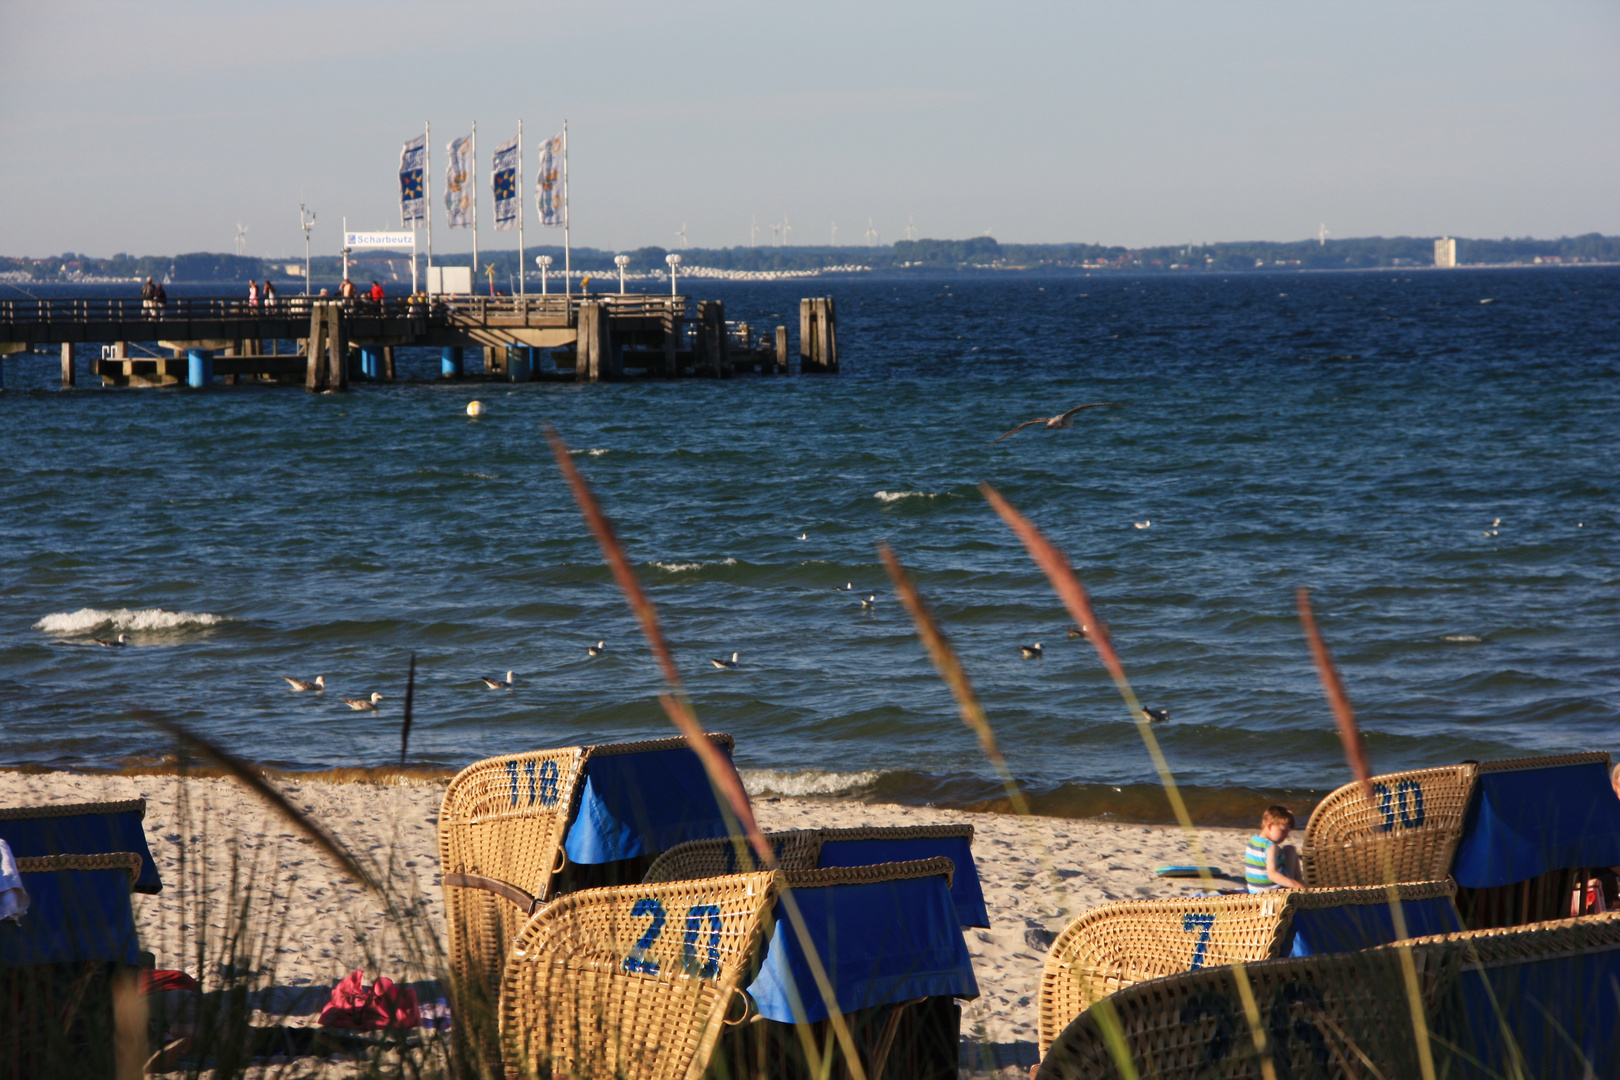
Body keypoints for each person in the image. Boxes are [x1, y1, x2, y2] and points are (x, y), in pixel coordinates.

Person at [1244, 805, 1304, 892]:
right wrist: (1296, 885)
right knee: (1290, 850)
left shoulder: (1252, 841)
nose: (1286, 836)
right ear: (1270, 826)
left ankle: (1299, 883)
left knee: (1287, 849)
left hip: (1254, 891)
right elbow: (1272, 874)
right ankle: (1300, 884)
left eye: (1287, 833)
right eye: (1283, 831)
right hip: (1273, 891)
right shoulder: (1271, 846)